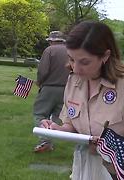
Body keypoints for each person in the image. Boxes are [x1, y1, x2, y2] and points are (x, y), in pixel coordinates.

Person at [40, 20, 124, 180]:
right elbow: (71, 123)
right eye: (71, 59)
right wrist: (58, 129)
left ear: (105, 56)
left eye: (84, 62)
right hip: (86, 169)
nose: (76, 69)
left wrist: (108, 149)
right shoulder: (73, 81)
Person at [33, 31, 70, 153]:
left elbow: (43, 70)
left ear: (51, 40)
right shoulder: (70, 51)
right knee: (57, 117)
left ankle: (45, 141)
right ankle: (49, 141)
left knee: (39, 114)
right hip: (66, 89)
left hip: (49, 87)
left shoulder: (49, 50)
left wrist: (39, 81)